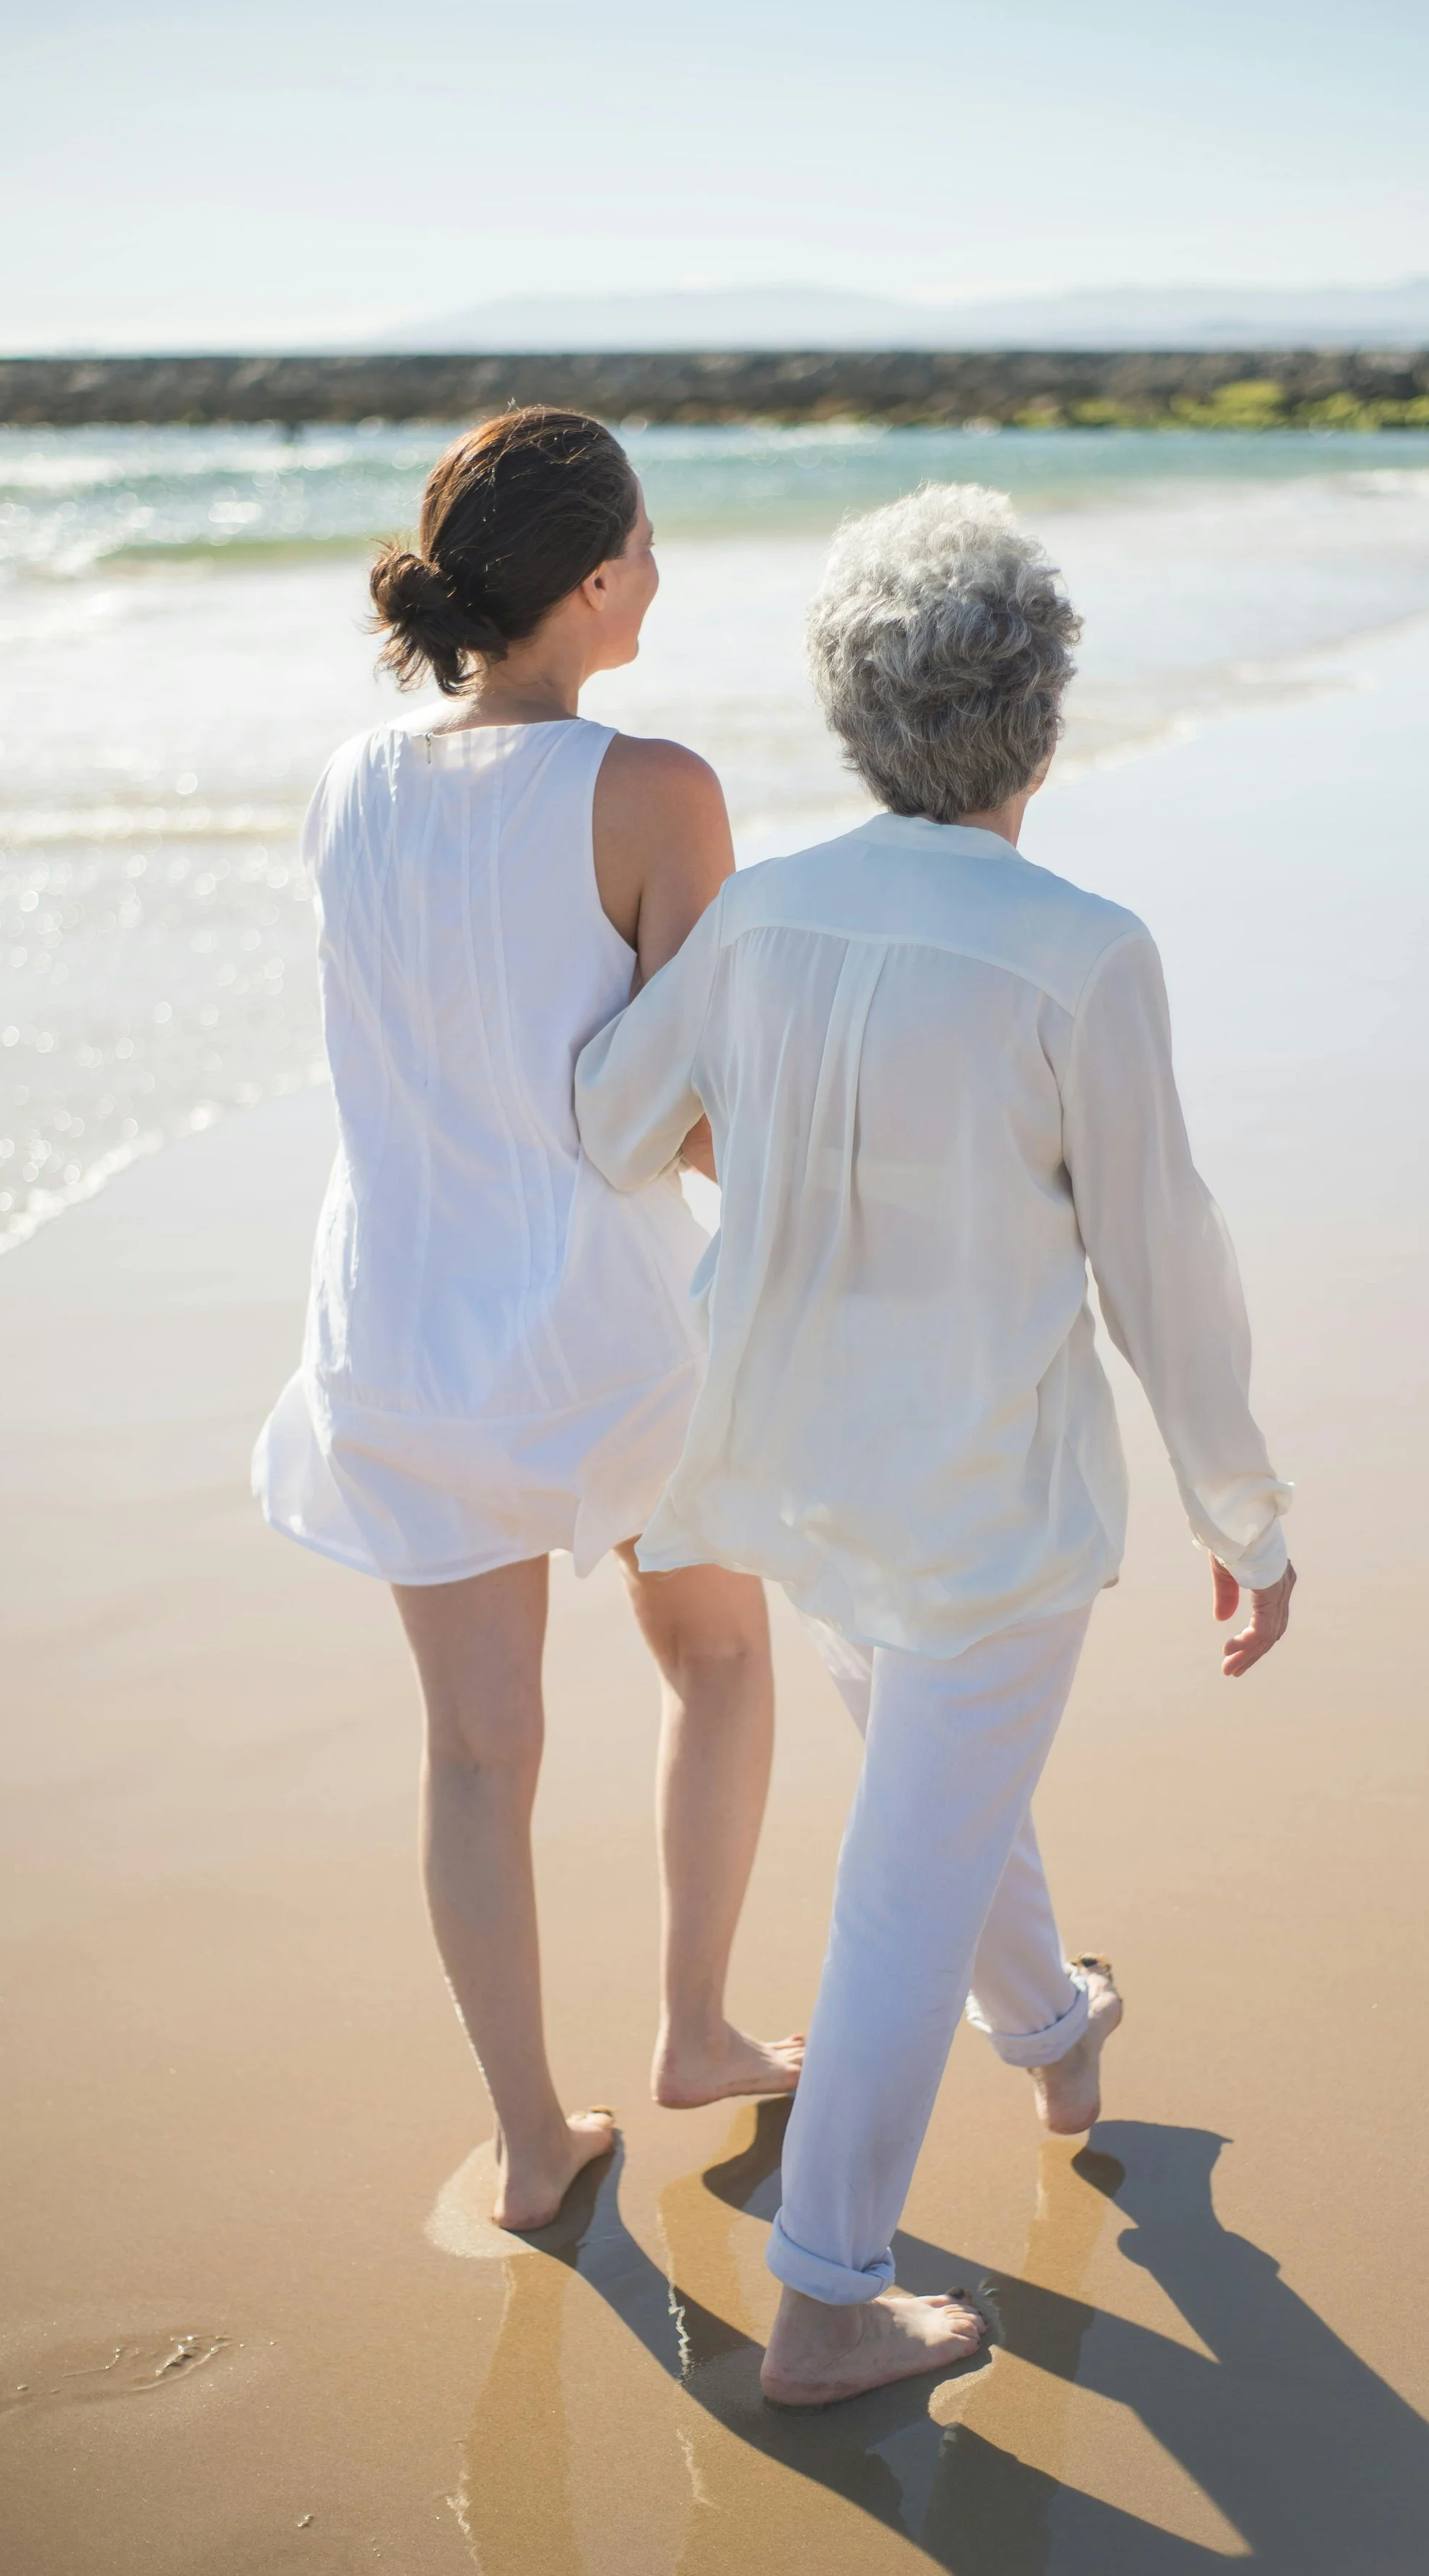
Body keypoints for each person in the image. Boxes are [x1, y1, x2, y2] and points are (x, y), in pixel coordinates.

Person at [575, 483, 1294, 2404]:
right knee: (907, 1855)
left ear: (853, 716)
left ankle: (1054, 2027)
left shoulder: (760, 919)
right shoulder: (1081, 949)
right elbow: (1164, 1261)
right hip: (984, 1492)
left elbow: (610, 1123)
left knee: (926, 1785)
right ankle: (823, 2292)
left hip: (793, 1466)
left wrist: (773, 1127)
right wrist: (1246, 1510)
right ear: (1037, 719)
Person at [253, 407, 800, 2234]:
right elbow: (693, 1107)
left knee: (477, 1752)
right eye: (646, 542)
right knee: (716, 1658)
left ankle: (528, 2147)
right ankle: (700, 2031)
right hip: (600, 1325)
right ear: (590, 579)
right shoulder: (653, 789)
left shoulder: (348, 782)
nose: (659, 571)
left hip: (397, 1326)